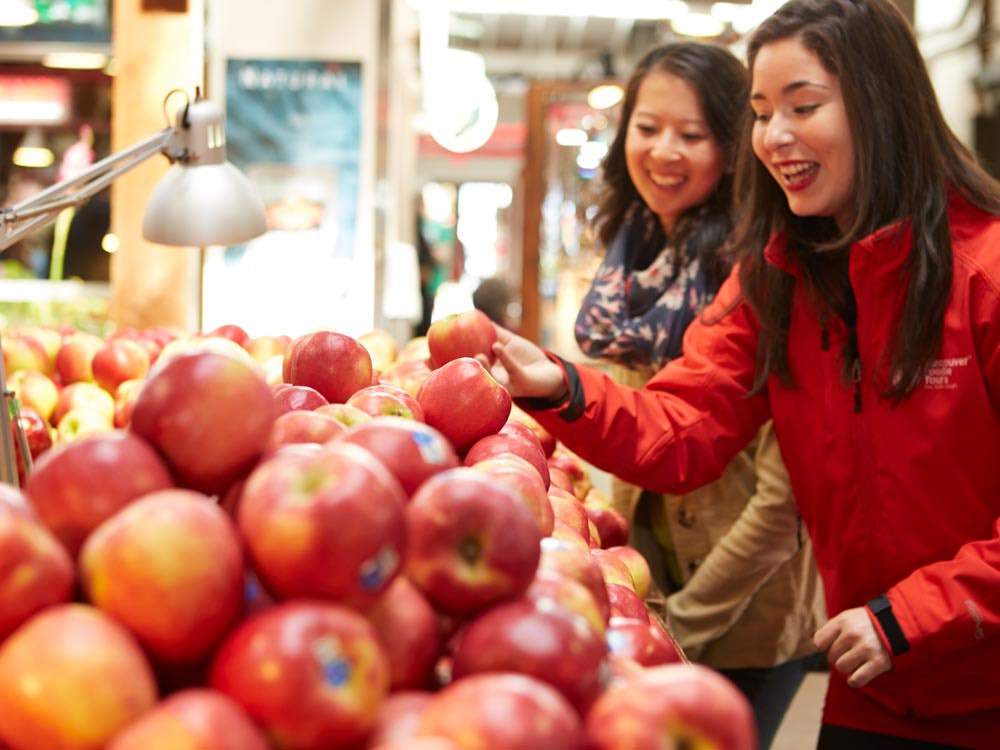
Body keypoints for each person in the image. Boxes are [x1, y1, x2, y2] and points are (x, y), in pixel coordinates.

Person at [488, 2, 1000, 747]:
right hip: (876, 691)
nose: (774, 137)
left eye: (804, 106)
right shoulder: (779, 280)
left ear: (882, 108)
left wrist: (912, 616)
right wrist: (560, 387)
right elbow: (682, 427)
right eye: (761, 113)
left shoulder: (983, 274)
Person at [573, 41, 823, 749]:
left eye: (693, 135)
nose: (663, 152)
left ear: (736, 146)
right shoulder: (636, 249)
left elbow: (783, 500)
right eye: (648, 128)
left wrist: (683, 617)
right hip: (648, 581)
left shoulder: (766, 267)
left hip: (742, 613)